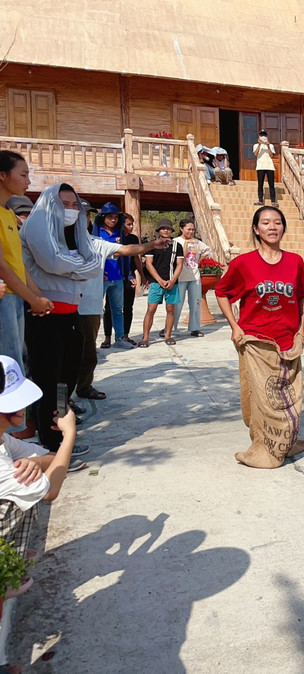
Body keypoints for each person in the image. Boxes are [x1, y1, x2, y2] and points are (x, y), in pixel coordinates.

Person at [215, 206, 304, 469]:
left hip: (288, 342)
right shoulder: (243, 264)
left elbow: (303, 295)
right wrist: (234, 326)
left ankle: (284, 441)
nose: (272, 227)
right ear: (256, 229)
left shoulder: (295, 262)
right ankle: (263, 449)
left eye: (277, 222)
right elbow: (222, 292)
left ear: (283, 228)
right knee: (262, 400)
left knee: (288, 397)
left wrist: (301, 328)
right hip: (256, 342)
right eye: (266, 222)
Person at [19, 183, 102, 456]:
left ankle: (61, 434)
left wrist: (69, 263)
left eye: (73, 205)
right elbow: (51, 263)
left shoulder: (75, 235)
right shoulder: (35, 228)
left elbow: (93, 266)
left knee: (65, 381)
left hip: (71, 316)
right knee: (47, 381)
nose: (70, 210)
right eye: (63, 204)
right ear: (48, 204)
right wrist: (75, 263)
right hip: (45, 317)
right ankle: (50, 444)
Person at [77, 219, 170, 401]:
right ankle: (63, 401)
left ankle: (83, 387)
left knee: (88, 353)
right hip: (63, 306)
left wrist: (151, 244)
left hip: (89, 309)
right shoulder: (56, 243)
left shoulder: (96, 243)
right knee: (66, 355)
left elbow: (127, 250)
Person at [0, 355, 77, 559]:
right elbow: (50, 490)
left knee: (30, 484)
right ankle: (7, 568)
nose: (24, 408)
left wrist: (35, 462)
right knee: (24, 495)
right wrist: (69, 434)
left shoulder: (4, 440)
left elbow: (52, 458)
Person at [0, 151, 54, 373]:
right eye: (23, 175)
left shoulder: (9, 215)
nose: (28, 181)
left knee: (19, 361)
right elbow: (2, 267)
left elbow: (18, 263)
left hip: (15, 299)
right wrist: (32, 298)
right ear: (3, 175)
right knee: (9, 366)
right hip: (4, 298)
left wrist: (38, 297)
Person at [93, 203, 134, 350]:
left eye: (116, 217)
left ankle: (120, 338)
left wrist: (128, 274)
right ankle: (94, 340)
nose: (113, 220)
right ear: (103, 217)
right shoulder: (96, 234)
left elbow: (126, 256)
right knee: (96, 310)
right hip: (101, 277)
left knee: (118, 309)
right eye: (110, 217)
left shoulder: (120, 233)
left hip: (117, 278)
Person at [139, 220, 184, 347]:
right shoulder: (152, 245)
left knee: (170, 309)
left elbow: (179, 265)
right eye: (163, 228)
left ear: (171, 231)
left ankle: (168, 335)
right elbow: (148, 264)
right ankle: (146, 337)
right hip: (155, 282)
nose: (165, 230)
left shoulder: (177, 246)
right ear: (159, 231)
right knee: (151, 309)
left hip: (172, 282)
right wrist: (159, 280)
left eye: (168, 228)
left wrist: (173, 280)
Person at [101, 212, 143, 347]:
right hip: (114, 275)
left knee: (127, 307)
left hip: (128, 277)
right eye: (128, 224)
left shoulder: (133, 238)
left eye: (132, 224)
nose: (131, 227)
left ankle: (124, 335)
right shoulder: (115, 237)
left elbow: (136, 256)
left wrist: (141, 274)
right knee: (109, 307)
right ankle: (107, 337)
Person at [172, 219, 213, 337]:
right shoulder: (176, 242)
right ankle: (170, 327)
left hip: (194, 276)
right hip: (180, 277)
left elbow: (207, 250)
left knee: (195, 303)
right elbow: (180, 258)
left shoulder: (197, 242)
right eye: (188, 229)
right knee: (177, 304)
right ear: (181, 229)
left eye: (193, 229)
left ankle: (194, 328)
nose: (191, 232)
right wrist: (185, 245)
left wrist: (198, 261)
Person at [253, 131, 277, 206]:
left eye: (264, 136)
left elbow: (271, 155)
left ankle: (273, 201)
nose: (263, 137)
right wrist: (260, 144)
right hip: (260, 166)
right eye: (261, 136)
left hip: (269, 166)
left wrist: (268, 146)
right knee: (260, 184)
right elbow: (255, 153)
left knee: (271, 184)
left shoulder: (271, 145)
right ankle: (260, 200)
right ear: (259, 137)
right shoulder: (255, 145)